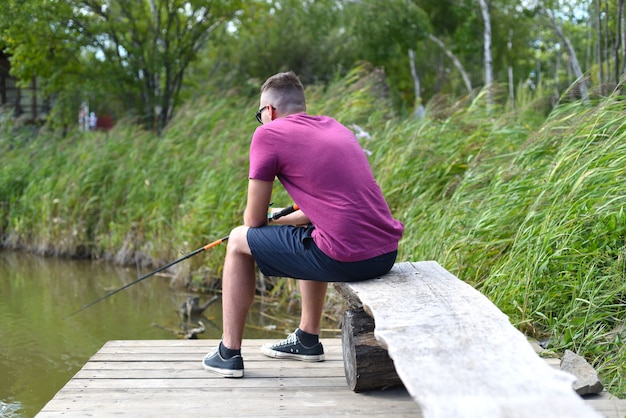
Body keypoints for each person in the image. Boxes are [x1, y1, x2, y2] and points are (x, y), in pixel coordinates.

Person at [202, 71, 404, 378]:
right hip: (384, 254)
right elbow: (320, 212)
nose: (262, 121)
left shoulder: (268, 134)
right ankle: (307, 339)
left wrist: (265, 222)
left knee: (237, 240)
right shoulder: (335, 127)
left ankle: (228, 353)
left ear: (269, 111)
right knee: (310, 234)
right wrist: (280, 223)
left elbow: (253, 221)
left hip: (349, 258)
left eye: (261, 114)